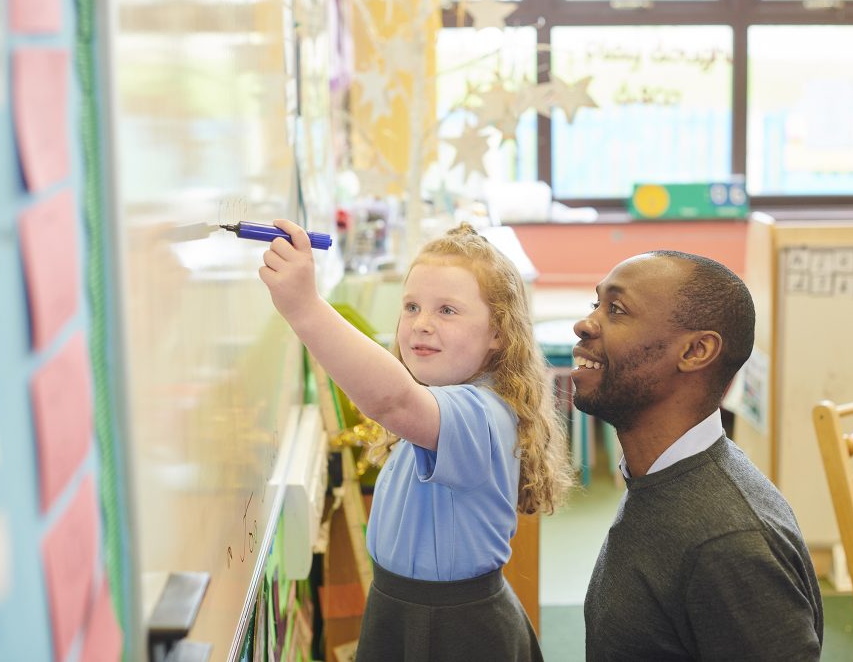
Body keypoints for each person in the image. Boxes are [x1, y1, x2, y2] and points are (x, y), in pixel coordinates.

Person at [259, 219, 574, 662]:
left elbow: (393, 401)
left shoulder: (481, 414)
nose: (421, 324)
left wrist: (305, 308)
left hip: (454, 628)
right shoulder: (445, 400)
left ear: (499, 333)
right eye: (411, 307)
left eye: (447, 310)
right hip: (402, 610)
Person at [572, 251, 823, 661]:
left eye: (615, 309)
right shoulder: (658, 477)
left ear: (695, 351)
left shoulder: (729, 543)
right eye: (594, 304)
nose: (585, 323)